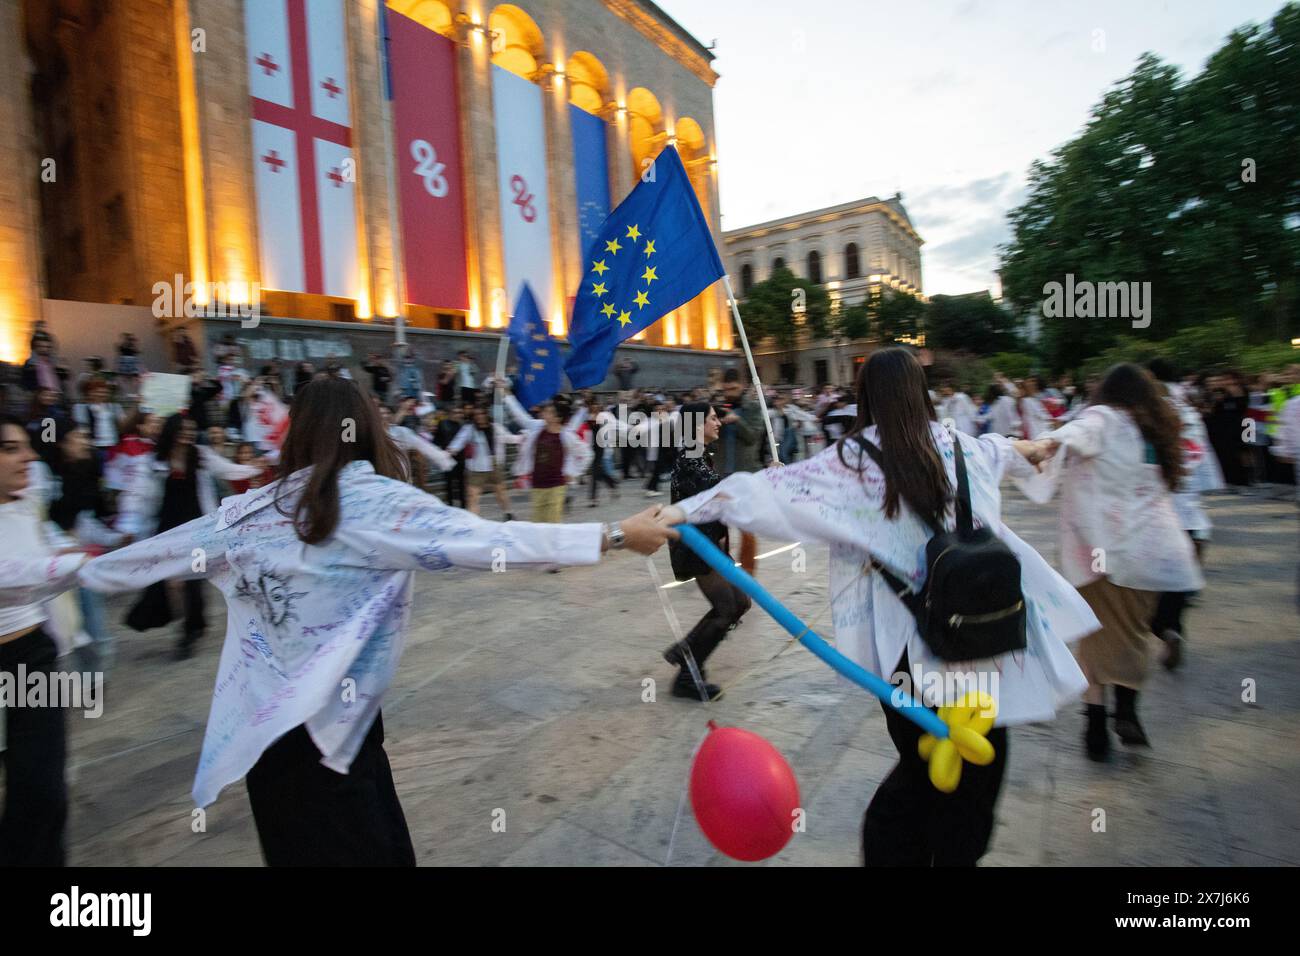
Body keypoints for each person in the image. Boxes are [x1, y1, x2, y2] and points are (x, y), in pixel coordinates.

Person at [75, 378, 672, 866]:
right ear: (366, 426)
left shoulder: (257, 507)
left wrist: (62, 567)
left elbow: (145, 557)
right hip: (330, 745)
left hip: (279, 747)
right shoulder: (372, 502)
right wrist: (615, 534)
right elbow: (496, 540)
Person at [655, 349, 1095, 866]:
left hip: (913, 652)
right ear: (920, 393)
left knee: (919, 771)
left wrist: (674, 512)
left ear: (865, 396)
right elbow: (1002, 450)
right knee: (973, 768)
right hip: (986, 640)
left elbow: (758, 493)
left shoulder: (852, 460)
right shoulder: (960, 445)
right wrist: (1036, 446)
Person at [1026, 364, 1202, 760]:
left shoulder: (1102, 419)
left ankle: (1094, 726)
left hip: (1099, 554)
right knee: (1134, 635)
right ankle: (1127, 712)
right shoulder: (1155, 430)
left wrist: (1041, 446)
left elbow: (1074, 433)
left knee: (1094, 638)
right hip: (1151, 555)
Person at [0, 414, 90, 865]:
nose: (28, 456)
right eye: (11, 447)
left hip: (32, 659)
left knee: (43, 792)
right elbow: (12, 574)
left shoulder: (26, 507)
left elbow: (43, 575)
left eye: (27, 446)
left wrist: (97, 562)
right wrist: (64, 566)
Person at [117, 413, 262, 659]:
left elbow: (225, 468)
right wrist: (128, 525)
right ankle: (175, 619)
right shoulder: (154, 462)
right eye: (182, 429)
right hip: (166, 532)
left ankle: (191, 631)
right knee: (165, 580)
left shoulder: (200, 455)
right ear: (172, 432)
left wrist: (251, 468)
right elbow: (138, 495)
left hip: (197, 533)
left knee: (193, 579)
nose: (187, 433)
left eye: (190, 429)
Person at [662, 402, 751, 701]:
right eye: (713, 419)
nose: (719, 423)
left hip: (710, 543)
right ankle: (688, 675)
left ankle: (686, 649)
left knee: (740, 602)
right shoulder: (689, 456)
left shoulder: (699, 455)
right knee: (727, 607)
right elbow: (719, 492)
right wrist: (767, 479)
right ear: (695, 425)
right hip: (695, 546)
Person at [1146, 358, 1222, 669]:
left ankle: (1162, 629)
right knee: (1175, 583)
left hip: (1155, 510)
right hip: (1187, 510)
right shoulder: (1189, 409)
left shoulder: (1148, 410)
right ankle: (1173, 628)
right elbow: (1198, 455)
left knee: (1147, 583)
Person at [503, 391, 592, 525]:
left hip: (556, 485)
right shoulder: (537, 427)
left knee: (552, 525)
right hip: (537, 485)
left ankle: (552, 546)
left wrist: (574, 473)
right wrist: (507, 396)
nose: (544, 412)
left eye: (549, 411)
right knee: (538, 525)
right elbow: (520, 416)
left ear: (557, 418)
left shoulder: (566, 435)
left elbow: (587, 454)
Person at [446, 404, 518, 518]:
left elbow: (508, 437)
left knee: (500, 493)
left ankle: (508, 513)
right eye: (476, 414)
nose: (479, 416)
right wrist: (450, 451)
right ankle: (473, 522)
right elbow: (458, 442)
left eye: (482, 413)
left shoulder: (495, 427)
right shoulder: (469, 429)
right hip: (476, 468)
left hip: (495, 465)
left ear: (486, 414)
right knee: (472, 496)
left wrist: (521, 438)